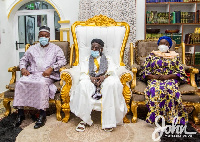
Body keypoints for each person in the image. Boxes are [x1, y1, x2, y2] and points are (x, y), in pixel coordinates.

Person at [13, 26, 66, 129]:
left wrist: (52, 68)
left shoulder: (56, 48)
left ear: (49, 37)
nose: (43, 38)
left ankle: (42, 114)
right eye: (41, 36)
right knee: (20, 82)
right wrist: (23, 68)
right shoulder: (32, 48)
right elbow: (23, 60)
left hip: (48, 75)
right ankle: (20, 113)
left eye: (46, 36)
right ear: (38, 36)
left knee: (41, 84)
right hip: (33, 73)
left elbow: (62, 61)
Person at [69, 39, 127, 132]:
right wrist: (90, 78)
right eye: (92, 47)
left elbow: (112, 71)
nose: (94, 49)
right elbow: (83, 72)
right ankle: (84, 120)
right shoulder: (87, 59)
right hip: (90, 79)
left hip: (105, 79)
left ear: (101, 49)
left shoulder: (108, 59)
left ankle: (108, 122)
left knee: (111, 84)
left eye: (96, 48)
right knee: (83, 85)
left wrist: (104, 76)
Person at [140, 36, 188, 125]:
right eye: (161, 43)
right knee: (155, 90)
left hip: (170, 78)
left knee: (170, 89)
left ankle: (171, 117)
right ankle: (155, 117)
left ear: (169, 46)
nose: (163, 45)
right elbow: (144, 70)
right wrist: (154, 77)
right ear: (158, 45)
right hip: (154, 78)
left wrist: (168, 76)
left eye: (166, 44)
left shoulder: (175, 56)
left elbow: (180, 72)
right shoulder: (152, 55)